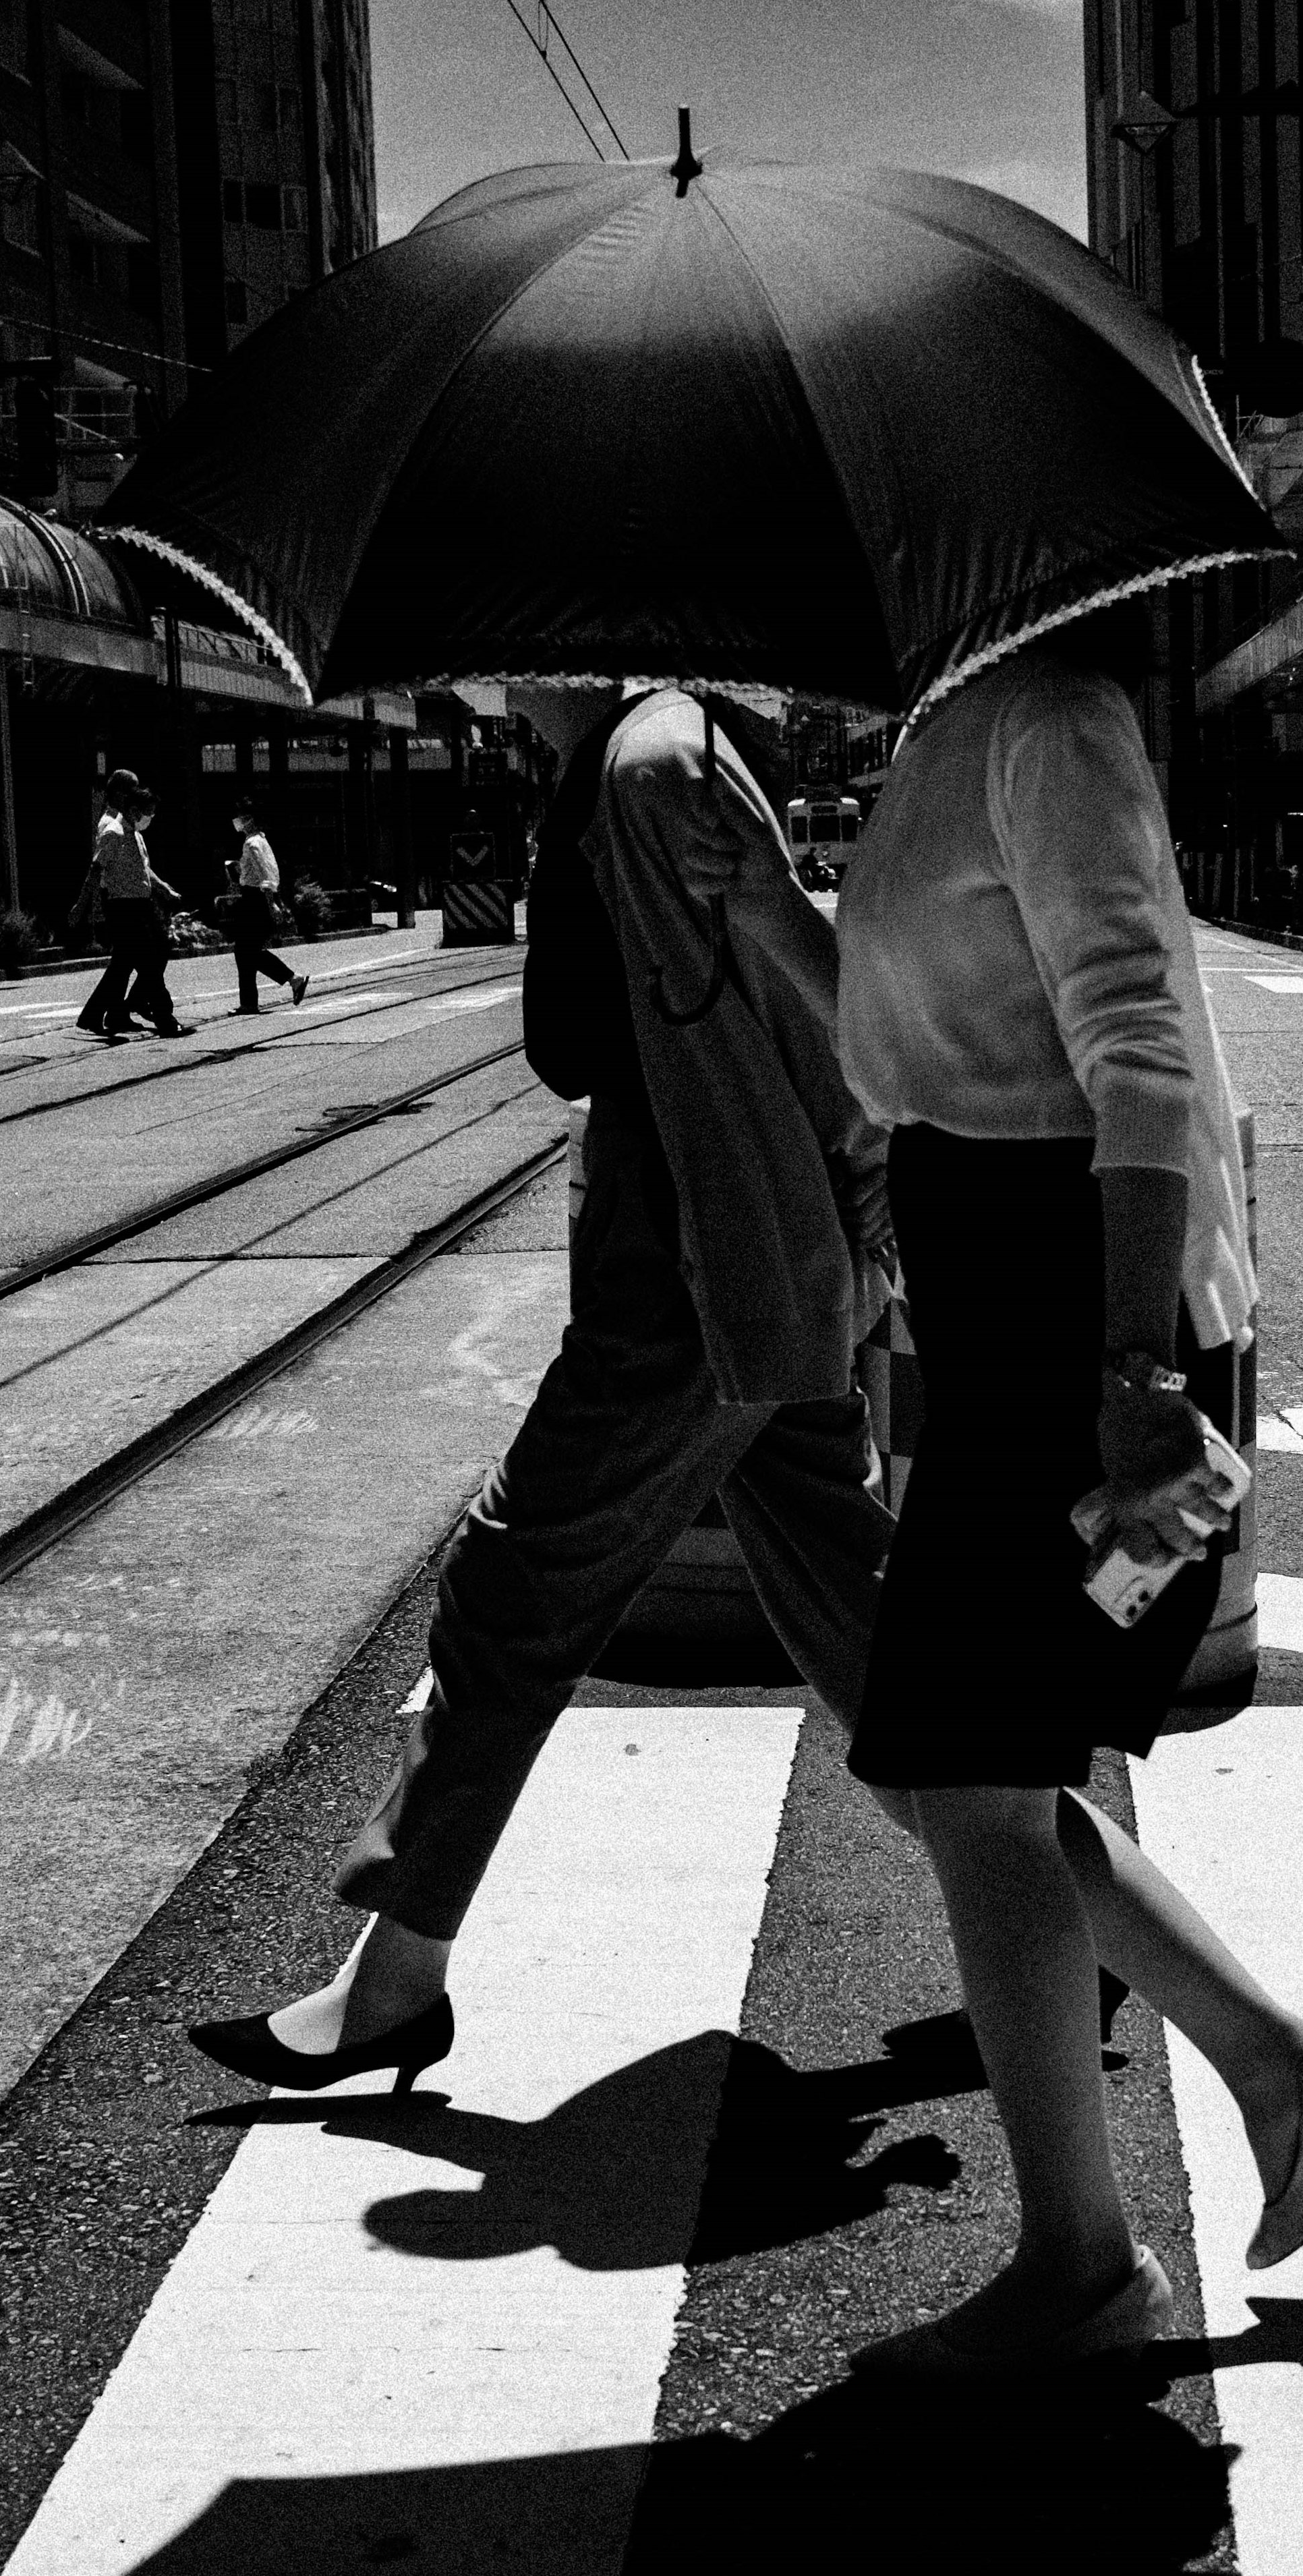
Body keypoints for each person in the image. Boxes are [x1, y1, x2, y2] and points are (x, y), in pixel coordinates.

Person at [828, 628, 1303, 2377]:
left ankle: (1087, 2264)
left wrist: (1139, 1382)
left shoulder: (1044, 723)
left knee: (973, 1779)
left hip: (1076, 1322)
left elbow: (1141, 1055)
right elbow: (946, 1031)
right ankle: (1273, 2060)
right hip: (1008, 1304)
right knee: (972, 1777)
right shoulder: (957, 726)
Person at [190, 684, 900, 2095]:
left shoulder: (653, 764)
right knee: (872, 1633)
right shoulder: (629, 763)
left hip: (698, 1264)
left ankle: (393, 1983)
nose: (484, 672)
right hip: (727, 1249)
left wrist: (855, 1195)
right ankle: (1117, 1929)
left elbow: (821, 1015)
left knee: (514, 1594)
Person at [76, 770, 192, 1043]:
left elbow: (142, 868)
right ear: (121, 795)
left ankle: (102, 1015)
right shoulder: (113, 828)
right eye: (133, 790)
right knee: (149, 962)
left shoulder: (132, 828)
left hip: (139, 903)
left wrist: (163, 889)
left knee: (127, 963)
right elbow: (97, 869)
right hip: (124, 906)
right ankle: (164, 1019)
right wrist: (82, 907)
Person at [227, 800, 309, 1014]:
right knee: (247, 951)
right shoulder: (261, 841)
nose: (237, 821)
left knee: (247, 951)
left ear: (249, 819)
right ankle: (250, 1002)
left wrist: (271, 902)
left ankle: (292, 979)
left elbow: (266, 874)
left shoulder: (253, 843)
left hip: (255, 900)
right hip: (256, 898)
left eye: (240, 816)